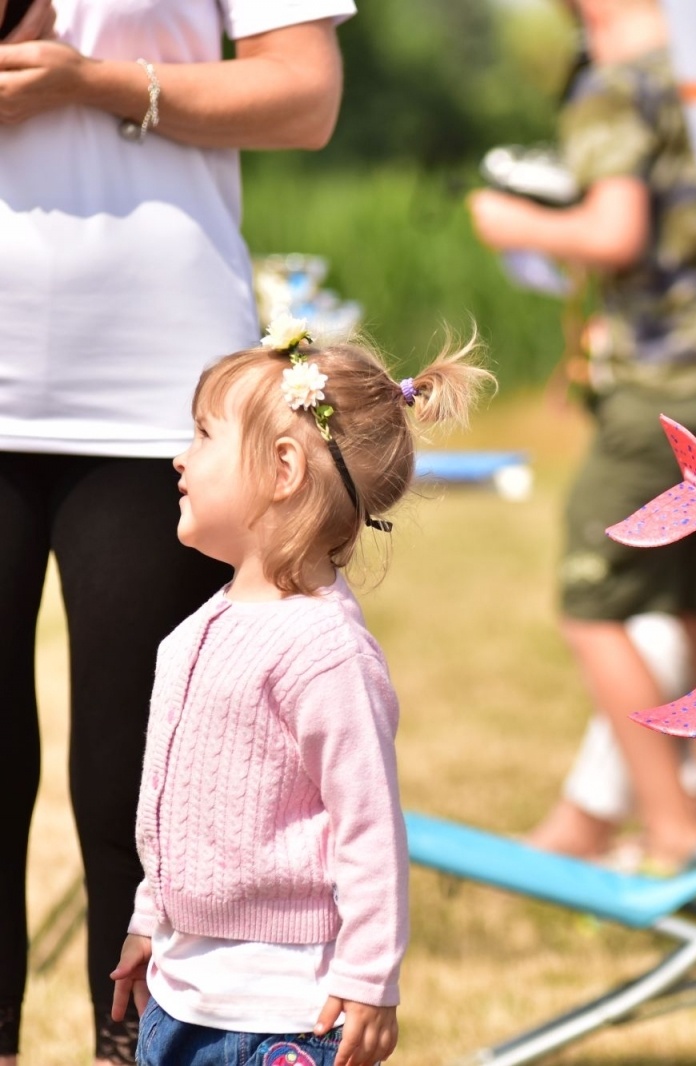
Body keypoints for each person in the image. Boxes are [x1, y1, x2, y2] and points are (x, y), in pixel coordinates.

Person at [0, 4, 353, 1063]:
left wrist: (90, 82)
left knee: (139, 777)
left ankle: (138, 1048)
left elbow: (306, 97)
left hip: (158, 395)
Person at [105, 321, 491, 1066]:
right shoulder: (193, 635)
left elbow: (369, 828)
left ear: (284, 468)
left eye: (204, 436)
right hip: (181, 1000)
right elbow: (170, 812)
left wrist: (370, 978)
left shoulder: (324, 650)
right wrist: (150, 917)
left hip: (283, 1014)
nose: (179, 458)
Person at [467, 0, 696, 871]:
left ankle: (671, 825)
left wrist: (511, 223)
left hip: (662, 396)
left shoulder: (616, 85)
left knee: (591, 607)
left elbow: (615, 232)